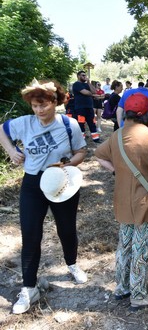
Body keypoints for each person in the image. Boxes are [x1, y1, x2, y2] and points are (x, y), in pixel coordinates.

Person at [0, 80, 88, 314]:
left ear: (56, 102)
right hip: (32, 185)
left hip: (62, 181)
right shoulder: (24, 123)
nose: (39, 111)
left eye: (44, 105)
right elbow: (1, 129)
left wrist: (68, 163)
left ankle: (72, 264)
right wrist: (11, 151)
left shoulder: (69, 125)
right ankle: (29, 288)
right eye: (35, 106)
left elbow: (81, 152)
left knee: (67, 229)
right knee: (30, 234)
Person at [95, 92, 148, 310]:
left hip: (123, 201)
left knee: (125, 246)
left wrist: (116, 171)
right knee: (143, 247)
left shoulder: (117, 135)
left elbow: (99, 154)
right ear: (146, 113)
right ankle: (138, 295)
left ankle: (122, 287)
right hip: (145, 201)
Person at [72, 70, 101, 143]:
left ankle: (96, 139)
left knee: (92, 123)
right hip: (80, 108)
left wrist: (88, 82)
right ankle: (81, 140)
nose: (85, 77)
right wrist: (92, 94)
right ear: (78, 76)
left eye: (85, 75)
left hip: (89, 107)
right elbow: (86, 93)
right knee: (81, 124)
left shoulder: (87, 84)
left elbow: (94, 91)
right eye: (83, 75)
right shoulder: (76, 84)